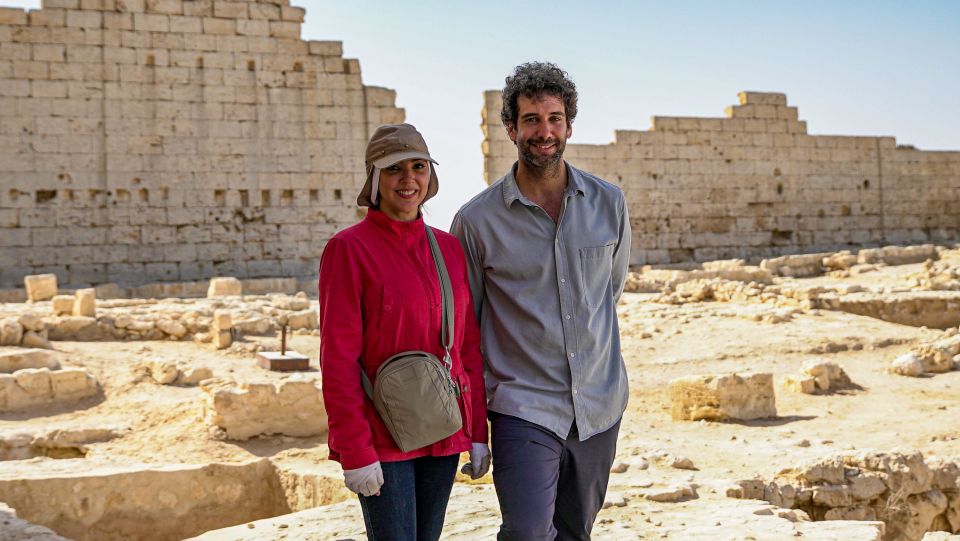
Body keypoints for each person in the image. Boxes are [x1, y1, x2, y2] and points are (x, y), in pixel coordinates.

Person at [451, 62, 631, 540]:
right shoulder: (475, 221)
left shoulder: (609, 203)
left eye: (554, 118)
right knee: (528, 532)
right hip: (522, 406)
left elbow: (608, 292)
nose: (544, 131)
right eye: (531, 119)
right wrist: (471, 423)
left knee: (575, 532)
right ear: (511, 128)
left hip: (598, 404)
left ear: (569, 125)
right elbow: (466, 325)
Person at [319, 123, 490, 541]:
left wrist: (477, 431)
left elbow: (465, 346)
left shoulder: (449, 248)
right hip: (382, 437)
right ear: (375, 179)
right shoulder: (348, 249)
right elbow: (338, 360)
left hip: (443, 429)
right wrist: (355, 452)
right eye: (395, 168)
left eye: (419, 166)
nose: (408, 178)